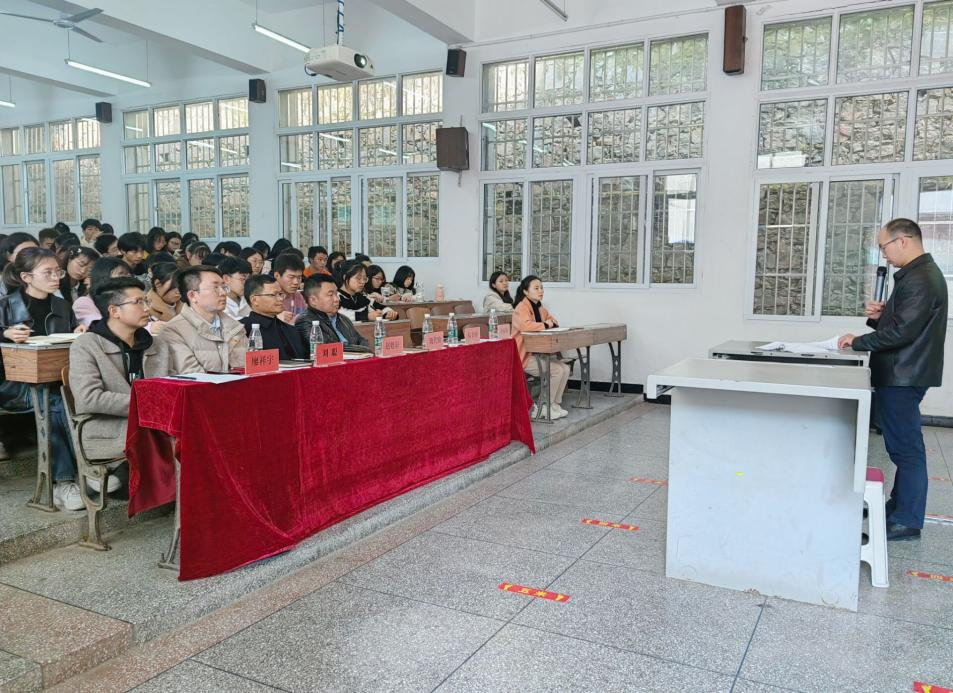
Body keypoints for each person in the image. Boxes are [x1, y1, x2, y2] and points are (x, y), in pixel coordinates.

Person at [838, 218, 948, 541]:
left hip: (903, 375)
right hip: (903, 371)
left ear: (903, 241)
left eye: (883, 247)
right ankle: (897, 508)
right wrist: (879, 318)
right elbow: (902, 324)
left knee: (907, 449)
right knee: (902, 446)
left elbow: (903, 333)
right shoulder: (916, 275)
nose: (883, 254)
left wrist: (858, 341)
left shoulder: (921, 279)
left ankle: (906, 520)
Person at [0, 248, 86, 509]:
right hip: (14, 385)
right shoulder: (5, 306)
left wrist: (80, 333)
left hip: (57, 378)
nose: (55, 277)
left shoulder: (62, 306)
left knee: (74, 396)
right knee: (55, 402)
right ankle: (65, 482)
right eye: (47, 272)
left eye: (58, 271)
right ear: (26, 277)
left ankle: (89, 471)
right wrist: (4, 335)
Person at [69, 277, 169, 469]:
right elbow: (88, 398)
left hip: (156, 428)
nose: (147, 309)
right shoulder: (86, 345)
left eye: (146, 301)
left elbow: (173, 386)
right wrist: (147, 404)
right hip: (111, 431)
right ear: (114, 311)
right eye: (138, 302)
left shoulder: (157, 344)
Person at [158, 266, 248, 373]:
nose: (223, 293)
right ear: (192, 295)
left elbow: (247, 369)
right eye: (215, 288)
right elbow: (192, 375)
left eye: (224, 287)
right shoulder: (173, 331)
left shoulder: (235, 327)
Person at [512, 275, 570, 420]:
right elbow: (526, 326)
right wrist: (545, 324)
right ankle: (544, 405)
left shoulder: (540, 308)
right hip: (523, 357)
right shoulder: (521, 308)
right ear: (526, 291)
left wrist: (548, 323)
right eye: (536, 288)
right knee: (556, 370)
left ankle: (554, 404)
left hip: (537, 355)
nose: (541, 291)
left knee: (565, 368)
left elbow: (553, 321)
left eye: (542, 288)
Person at [295, 275, 371, 353]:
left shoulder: (343, 319)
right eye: (330, 295)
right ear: (313, 300)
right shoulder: (305, 321)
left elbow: (362, 341)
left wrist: (363, 349)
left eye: (336, 294)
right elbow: (329, 348)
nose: (337, 299)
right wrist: (361, 349)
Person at [242, 274, 307, 359]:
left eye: (280, 294)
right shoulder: (243, 329)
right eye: (273, 295)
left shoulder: (291, 330)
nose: (280, 299)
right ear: (254, 300)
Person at [72, 257, 134, 327]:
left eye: (128, 275)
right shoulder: (84, 302)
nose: (127, 278)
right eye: (121, 273)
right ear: (103, 276)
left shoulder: (130, 298)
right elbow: (99, 327)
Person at [273, 253, 306, 319]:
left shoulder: (298, 296)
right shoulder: (267, 296)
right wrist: (275, 318)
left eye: (299, 277)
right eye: (291, 277)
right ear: (277, 275)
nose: (296, 282)